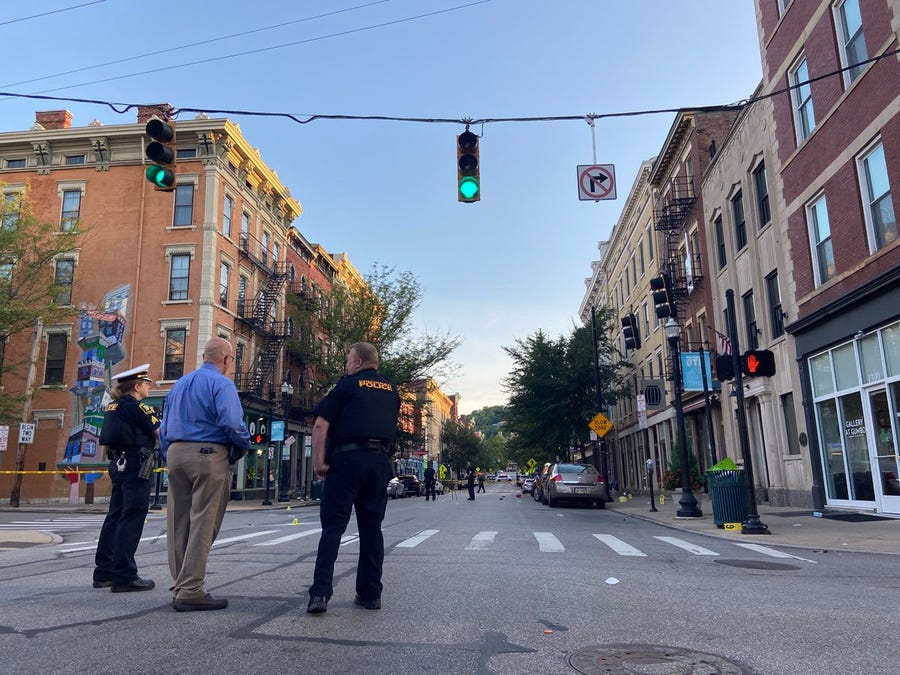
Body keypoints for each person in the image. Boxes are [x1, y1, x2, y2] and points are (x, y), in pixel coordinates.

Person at [307, 342, 400, 615]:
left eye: (348, 359)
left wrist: (319, 462)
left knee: (333, 528)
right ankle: (370, 594)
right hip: (379, 463)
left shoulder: (346, 386)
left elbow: (321, 425)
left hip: (347, 461)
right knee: (372, 529)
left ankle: (320, 594)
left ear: (358, 362)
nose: (346, 364)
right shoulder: (392, 391)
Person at [160, 337, 250, 612]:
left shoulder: (179, 384)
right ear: (226, 359)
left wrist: (169, 453)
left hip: (175, 452)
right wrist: (243, 444)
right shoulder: (222, 383)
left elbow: (163, 426)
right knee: (203, 521)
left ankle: (181, 584)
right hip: (208, 454)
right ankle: (191, 589)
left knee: (178, 521)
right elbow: (231, 422)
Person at [93, 364, 160, 593]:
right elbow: (160, 433)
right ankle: (125, 576)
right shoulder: (140, 408)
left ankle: (103, 573)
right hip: (136, 464)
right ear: (138, 386)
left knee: (115, 516)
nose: (149, 387)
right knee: (132, 516)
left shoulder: (113, 406)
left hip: (117, 464)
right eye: (147, 383)